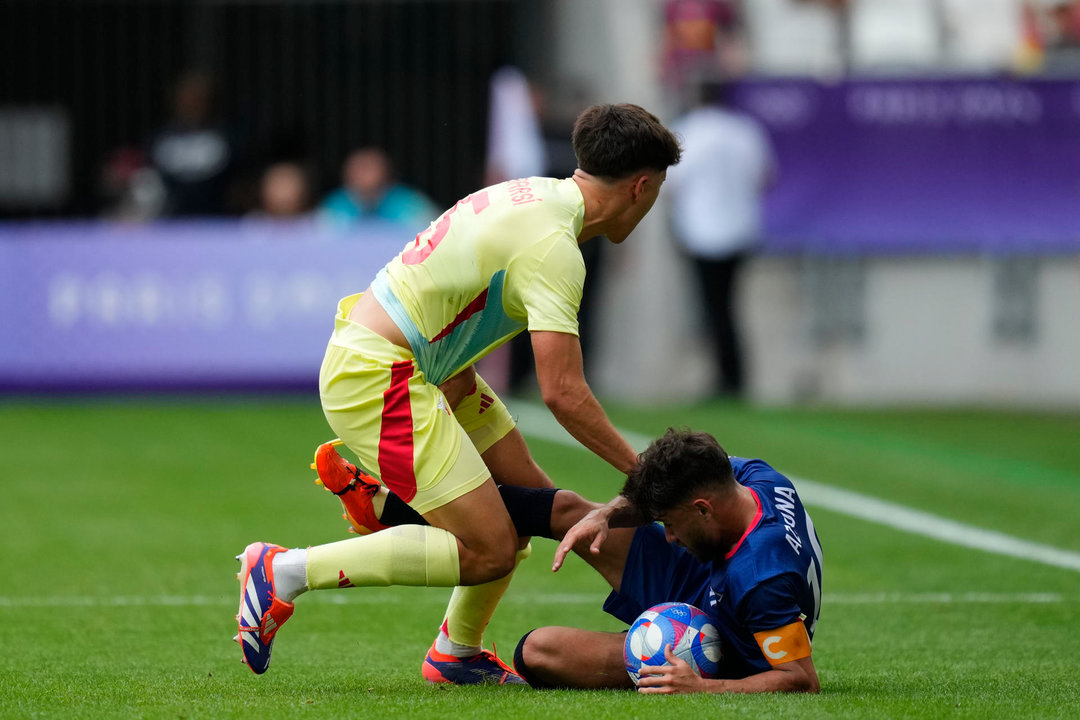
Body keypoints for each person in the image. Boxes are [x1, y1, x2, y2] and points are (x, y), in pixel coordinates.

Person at [235, 103, 682, 683]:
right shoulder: (554, 249)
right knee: (491, 547)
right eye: (657, 193)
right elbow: (563, 393)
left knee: (533, 512)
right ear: (641, 187)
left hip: (437, 375)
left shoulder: (534, 194)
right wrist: (652, 479)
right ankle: (285, 571)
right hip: (381, 377)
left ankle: (456, 654)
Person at [516, 428, 823, 694]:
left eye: (670, 524)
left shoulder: (761, 579)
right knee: (571, 511)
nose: (669, 537)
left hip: (715, 644)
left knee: (537, 650)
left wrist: (702, 687)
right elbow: (674, 485)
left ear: (703, 510)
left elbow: (801, 680)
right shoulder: (756, 476)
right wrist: (607, 514)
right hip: (704, 572)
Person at [667, 80, 775, 398]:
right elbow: (766, 177)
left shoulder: (686, 131)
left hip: (701, 231)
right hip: (741, 229)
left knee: (712, 306)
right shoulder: (745, 131)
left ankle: (726, 377)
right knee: (729, 305)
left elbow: (671, 185)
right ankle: (733, 374)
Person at [319, 147, 440, 234]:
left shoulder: (407, 202)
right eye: (360, 168)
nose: (364, 174)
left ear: (386, 171)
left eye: (370, 168)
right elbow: (315, 236)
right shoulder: (336, 203)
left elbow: (435, 231)